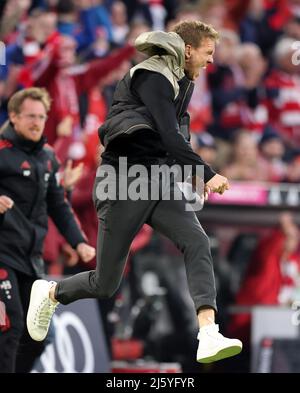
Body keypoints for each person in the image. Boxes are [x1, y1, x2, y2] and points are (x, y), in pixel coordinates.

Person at [27, 21, 242, 364]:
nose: (211, 61)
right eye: (208, 52)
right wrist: (206, 173)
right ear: (187, 50)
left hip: (157, 179)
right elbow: (170, 136)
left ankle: (208, 333)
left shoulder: (180, 81)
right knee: (105, 284)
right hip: (123, 180)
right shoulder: (152, 75)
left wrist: (186, 176)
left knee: (197, 240)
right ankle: (51, 291)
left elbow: (172, 143)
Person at [0, 87, 95, 373]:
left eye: (41, 117)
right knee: (11, 326)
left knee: (39, 335)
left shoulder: (48, 157)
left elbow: (59, 206)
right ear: (13, 117)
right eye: (30, 116)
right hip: (2, 256)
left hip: (31, 259)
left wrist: (78, 242)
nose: (37, 122)